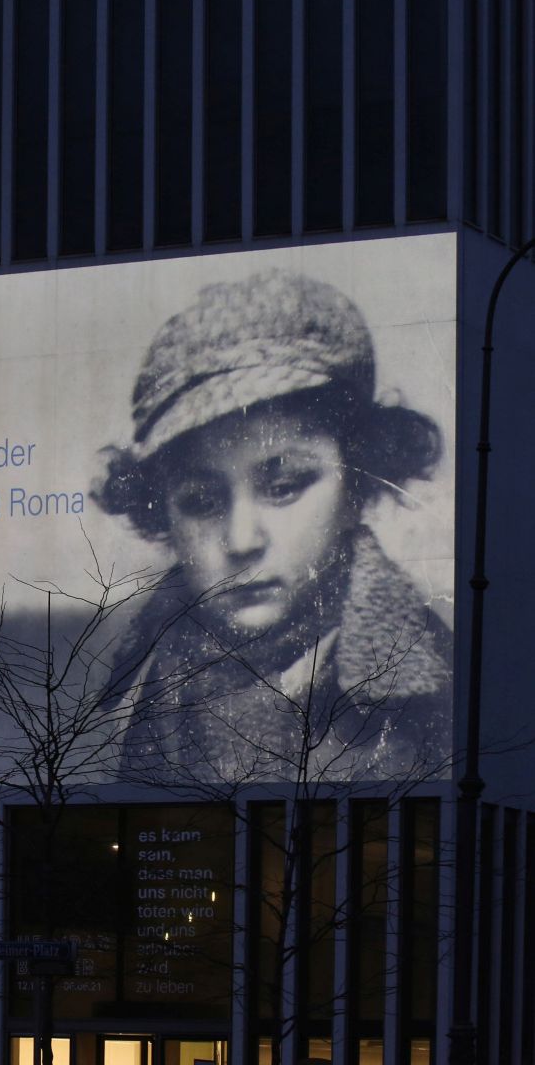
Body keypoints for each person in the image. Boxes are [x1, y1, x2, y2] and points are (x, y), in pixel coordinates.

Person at [92, 269, 452, 783]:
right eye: (201, 501)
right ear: (161, 514)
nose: (242, 540)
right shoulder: (125, 688)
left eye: (284, 487)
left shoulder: (440, 687)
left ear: (357, 485)